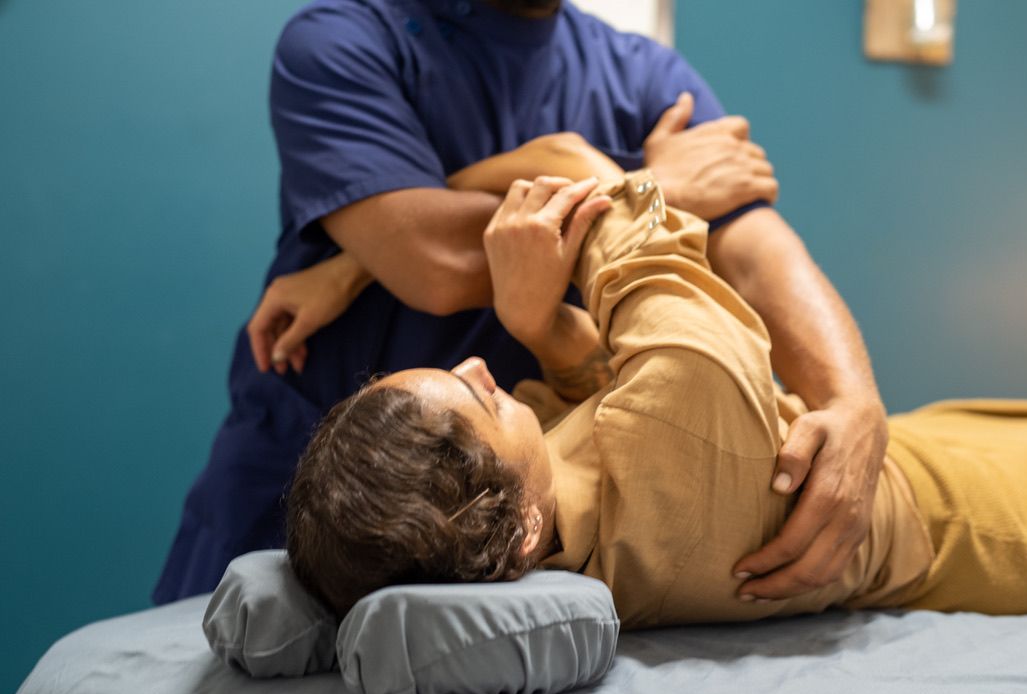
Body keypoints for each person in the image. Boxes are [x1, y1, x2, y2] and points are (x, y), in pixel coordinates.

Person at [154, 0, 888, 605]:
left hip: (507, 520)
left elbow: (757, 252)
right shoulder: (343, 40)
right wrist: (652, 186)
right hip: (313, 489)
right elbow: (432, 261)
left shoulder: (642, 75)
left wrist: (853, 403)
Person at [286, 141, 1027, 627]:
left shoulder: (559, 550)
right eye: (480, 397)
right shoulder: (679, 402)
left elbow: (600, 400)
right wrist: (358, 264)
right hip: (993, 510)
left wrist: (538, 325)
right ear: (519, 525)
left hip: (927, 451)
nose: (477, 365)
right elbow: (571, 165)